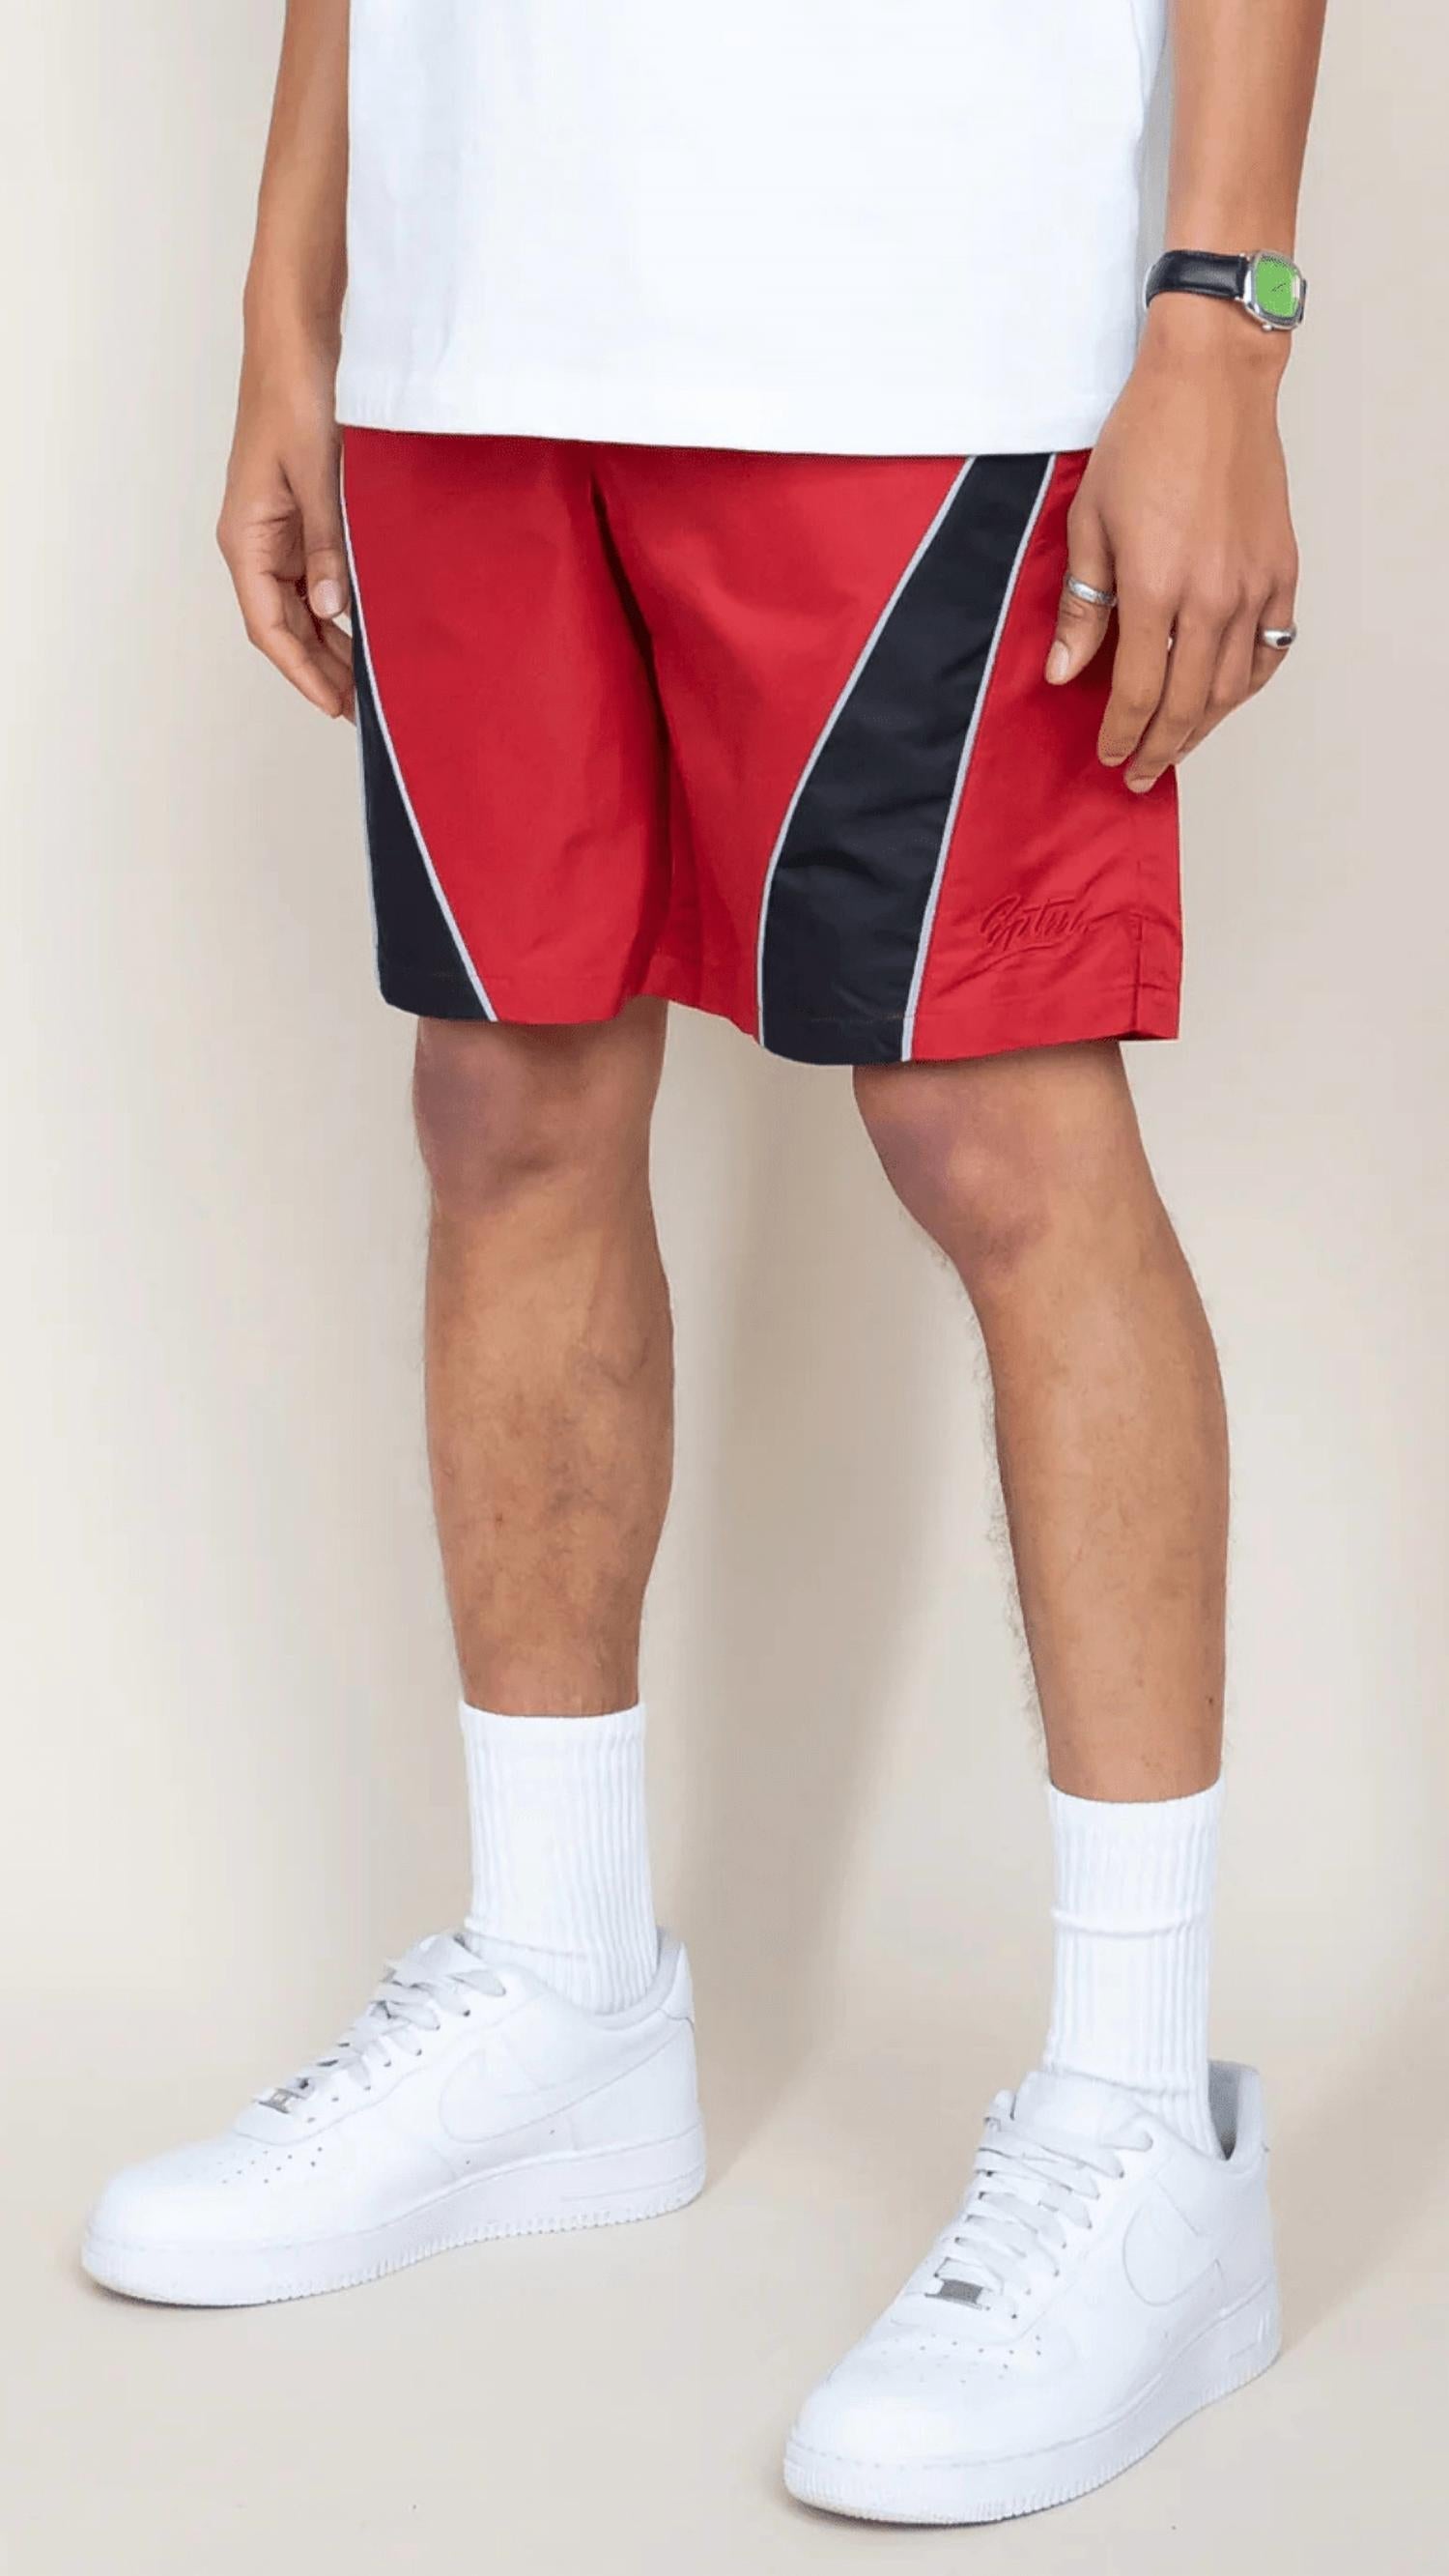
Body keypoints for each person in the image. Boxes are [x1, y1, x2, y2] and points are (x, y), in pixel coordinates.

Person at [83, 0, 1325, 2528]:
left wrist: (1220, 312)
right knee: (504, 1098)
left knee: (994, 1127)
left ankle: (1143, 2126)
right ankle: (558, 1988)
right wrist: (292, 302)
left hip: (921, 296)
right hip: (473, 311)